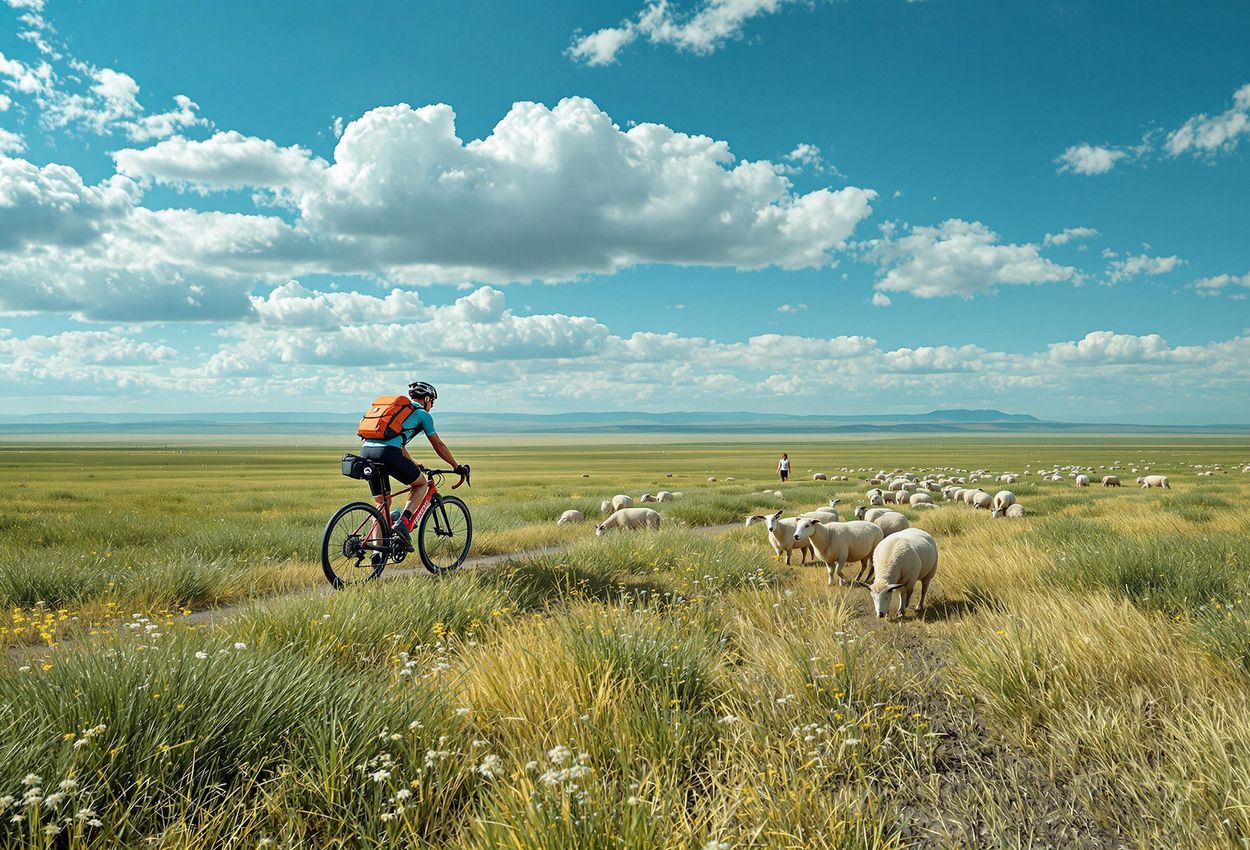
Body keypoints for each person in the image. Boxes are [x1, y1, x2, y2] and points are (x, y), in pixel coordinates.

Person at [359, 380, 464, 550]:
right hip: (387, 453)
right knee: (421, 484)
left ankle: (378, 553)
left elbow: (399, 444)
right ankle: (403, 522)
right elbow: (437, 444)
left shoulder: (399, 413)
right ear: (427, 399)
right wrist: (456, 466)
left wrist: (413, 463)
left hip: (366, 452)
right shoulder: (423, 414)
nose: (432, 406)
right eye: (433, 402)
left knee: (382, 503)